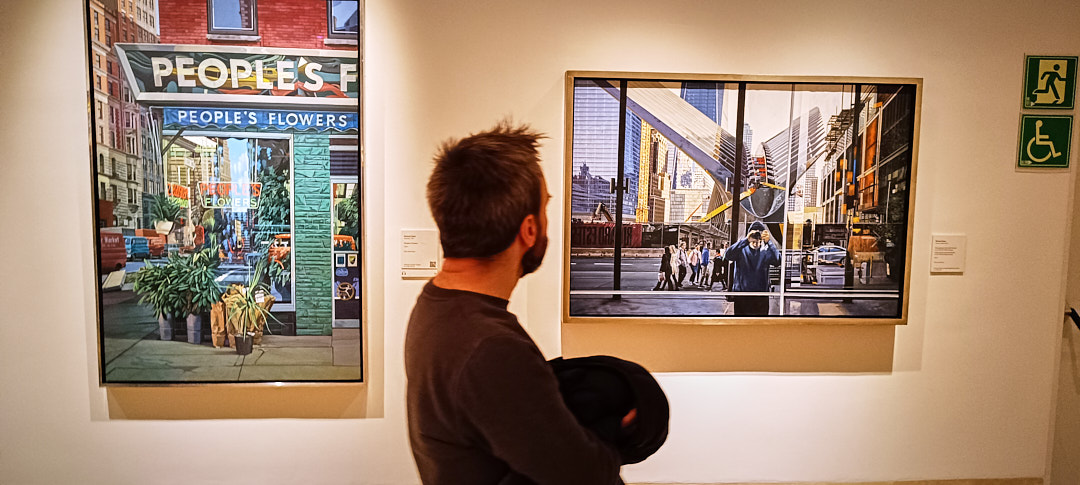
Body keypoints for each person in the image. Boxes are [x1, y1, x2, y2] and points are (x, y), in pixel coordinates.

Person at [405, 121, 625, 485]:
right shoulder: (491, 347)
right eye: (546, 206)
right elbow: (583, 475)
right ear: (529, 229)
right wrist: (622, 429)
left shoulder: (436, 305)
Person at [723, 221, 780, 315]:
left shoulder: (766, 251)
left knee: (759, 323)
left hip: (760, 297)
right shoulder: (741, 249)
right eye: (753, 237)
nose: (756, 240)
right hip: (743, 296)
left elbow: (777, 261)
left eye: (759, 237)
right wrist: (746, 240)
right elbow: (728, 255)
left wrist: (769, 242)